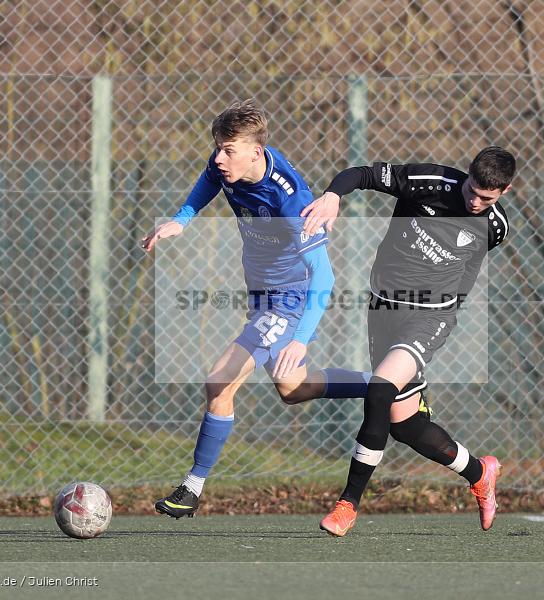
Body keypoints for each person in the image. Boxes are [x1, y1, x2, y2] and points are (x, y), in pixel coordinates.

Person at [141, 100, 373, 519]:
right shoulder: (227, 164)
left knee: (219, 381)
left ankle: (192, 488)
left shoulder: (291, 202)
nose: (218, 158)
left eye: (228, 150)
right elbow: (208, 181)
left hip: (288, 301)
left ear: (256, 152)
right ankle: (386, 386)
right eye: (218, 148)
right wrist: (181, 219)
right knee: (293, 389)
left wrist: (300, 339)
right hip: (262, 295)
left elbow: (324, 278)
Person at [300, 146, 516, 536]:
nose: (475, 201)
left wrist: (448, 309)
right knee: (404, 424)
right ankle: (480, 473)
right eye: (472, 190)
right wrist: (332, 195)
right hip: (384, 308)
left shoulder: (495, 227)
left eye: (486, 198)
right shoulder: (428, 182)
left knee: (379, 391)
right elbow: (363, 174)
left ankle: (348, 504)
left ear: (504, 191)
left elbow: (469, 270)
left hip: (430, 317)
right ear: (467, 174)